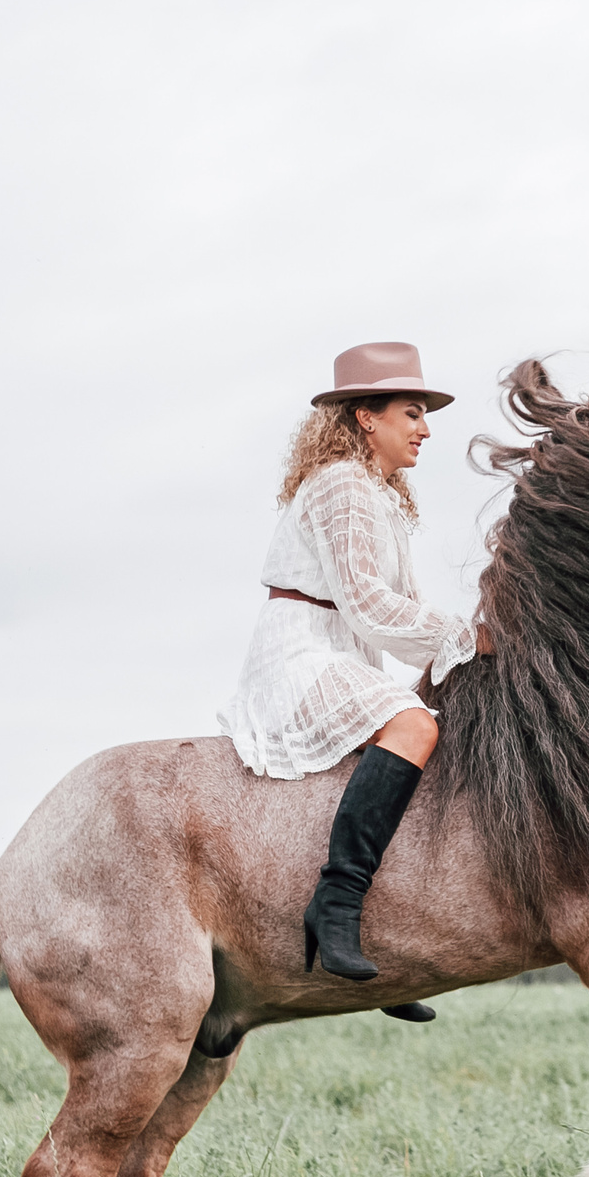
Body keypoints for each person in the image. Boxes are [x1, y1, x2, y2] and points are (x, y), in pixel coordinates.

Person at [217, 342, 493, 1022]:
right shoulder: (342, 483)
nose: (424, 427)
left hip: (342, 651)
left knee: (420, 734)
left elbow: (393, 611)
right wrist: (466, 636)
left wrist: (462, 649)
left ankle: (381, 936)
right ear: (367, 418)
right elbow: (369, 605)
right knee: (413, 725)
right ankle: (334, 903)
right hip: (301, 650)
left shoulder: (381, 496)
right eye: (411, 412)